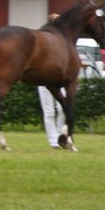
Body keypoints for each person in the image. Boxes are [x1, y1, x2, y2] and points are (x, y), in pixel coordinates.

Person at [37, 13, 67, 148]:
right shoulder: (42, 39)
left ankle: (60, 135)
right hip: (43, 78)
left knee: (62, 108)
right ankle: (53, 141)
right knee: (49, 111)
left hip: (58, 78)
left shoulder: (63, 40)